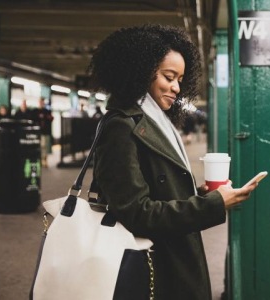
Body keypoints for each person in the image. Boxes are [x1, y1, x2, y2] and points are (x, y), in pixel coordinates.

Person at [88, 24, 257, 300]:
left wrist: (197, 194)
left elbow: (158, 191)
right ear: (140, 70)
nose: (176, 87)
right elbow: (137, 213)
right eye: (169, 77)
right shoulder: (121, 127)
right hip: (153, 271)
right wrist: (213, 204)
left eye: (180, 79)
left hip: (171, 259)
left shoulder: (157, 122)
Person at [34, 97, 54, 167]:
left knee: (45, 147)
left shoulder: (47, 111)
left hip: (45, 132)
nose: (41, 103)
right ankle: (41, 160)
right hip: (38, 132)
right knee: (41, 147)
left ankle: (45, 160)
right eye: (40, 102)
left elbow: (51, 118)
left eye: (42, 102)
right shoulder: (35, 111)